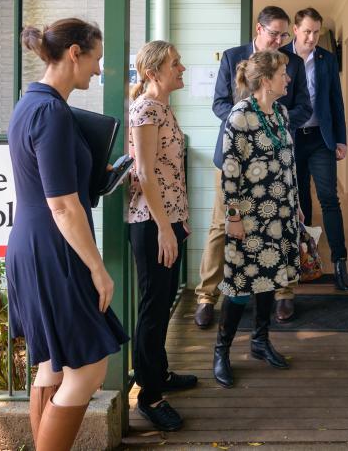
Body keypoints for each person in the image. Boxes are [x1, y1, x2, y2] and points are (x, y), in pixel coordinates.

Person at [6, 18, 129, 450]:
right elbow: (61, 204)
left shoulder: (30, 104)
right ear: (74, 53)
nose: (98, 70)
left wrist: (96, 175)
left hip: (31, 242)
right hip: (55, 248)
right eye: (96, 59)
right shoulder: (52, 112)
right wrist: (98, 268)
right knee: (89, 369)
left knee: (52, 366)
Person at [194, 5, 312, 328]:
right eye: (274, 33)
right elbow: (220, 103)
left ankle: (283, 291)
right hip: (233, 157)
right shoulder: (232, 57)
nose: (280, 40)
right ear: (258, 30)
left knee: (280, 224)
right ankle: (206, 295)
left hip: (276, 160)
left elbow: (304, 106)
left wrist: (276, 124)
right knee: (222, 226)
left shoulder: (293, 65)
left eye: (284, 34)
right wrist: (250, 123)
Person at [213, 49, 302, 389]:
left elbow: (288, 163)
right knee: (239, 285)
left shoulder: (280, 113)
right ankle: (221, 350)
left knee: (270, 276)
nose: (288, 79)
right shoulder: (240, 116)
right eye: (284, 73)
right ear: (267, 80)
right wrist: (233, 218)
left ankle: (260, 342)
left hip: (279, 215)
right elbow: (230, 175)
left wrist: (295, 204)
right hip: (249, 218)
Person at [128, 40, 197, 432]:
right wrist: (165, 229)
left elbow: (169, 174)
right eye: (175, 63)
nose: (182, 68)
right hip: (153, 225)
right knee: (153, 308)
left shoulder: (162, 108)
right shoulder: (145, 110)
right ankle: (150, 396)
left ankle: (161, 372)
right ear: (154, 73)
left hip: (171, 221)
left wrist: (180, 220)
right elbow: (145, 175)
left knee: (165, 300)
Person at [283, 8, 348, 291]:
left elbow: (336, 101)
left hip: (320, 139)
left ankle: (340, 263)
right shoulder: (281, 56)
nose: (312, 37)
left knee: (329, 198)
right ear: (296, 30)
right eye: (307, 31)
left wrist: (341, 139)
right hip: (291, 138)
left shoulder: (327, 60)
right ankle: (304, 260)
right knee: (299, 203)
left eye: (317, 32)